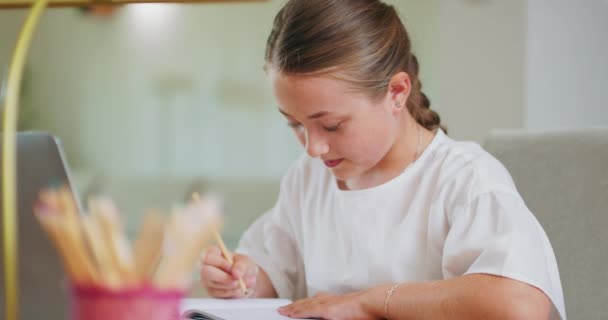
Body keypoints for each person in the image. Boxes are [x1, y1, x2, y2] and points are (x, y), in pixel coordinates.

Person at [199, 0, 566, 319]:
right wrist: (243, 278)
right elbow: (273, 272)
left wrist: (368, 302)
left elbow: (519, 306)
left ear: (396, 92)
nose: (313, 148)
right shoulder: (308, 180)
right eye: (295, 124)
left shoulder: (464, 180)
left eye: (331, 125)